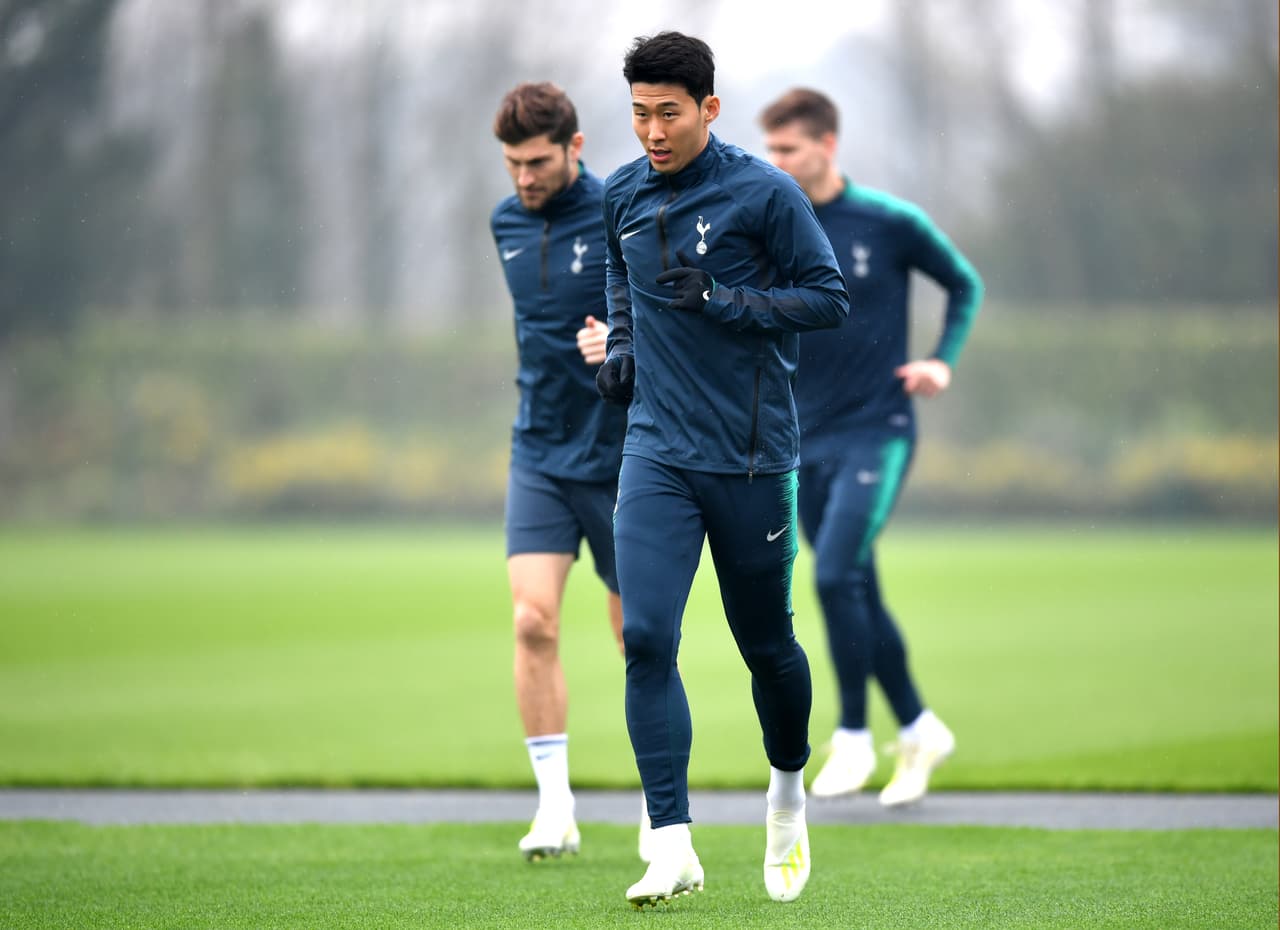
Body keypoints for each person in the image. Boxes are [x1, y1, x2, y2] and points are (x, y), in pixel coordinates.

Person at [596, 34, 849, 907]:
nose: (652, 131)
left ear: (708, 107)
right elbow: (621, 280)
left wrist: (724, 300)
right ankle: (672, 843)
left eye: (669, 113)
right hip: (656, 451)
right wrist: (623, 349)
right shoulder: (621, 193)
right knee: (644, 638)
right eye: (639, 114)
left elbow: (828, 298)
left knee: (766, 647)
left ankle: (787, 795)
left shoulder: (765, 193)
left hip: (749, 459)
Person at [759, 88, 983, 806]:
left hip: (878, 432)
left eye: (788, 149)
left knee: (832, 578)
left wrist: (941, 359)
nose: (775, 161)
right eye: (770, 149)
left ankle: (853, 734)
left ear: (827, 145)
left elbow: (964, 284)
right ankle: (919, 727)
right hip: (802, 439)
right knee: (857, 584)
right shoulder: (771, 224)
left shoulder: (889, 221)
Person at [489, 81, 629, 862]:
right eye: (512, 163)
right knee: (531, 621)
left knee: (640, 637)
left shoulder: (620, 211)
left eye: (538, 162)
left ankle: (661, 806)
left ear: (575, 147)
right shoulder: (504, 221)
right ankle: (555, 808)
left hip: (621, 454)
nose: (524, 178)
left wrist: (622, 340)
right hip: (539, 449)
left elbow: (669, 318)